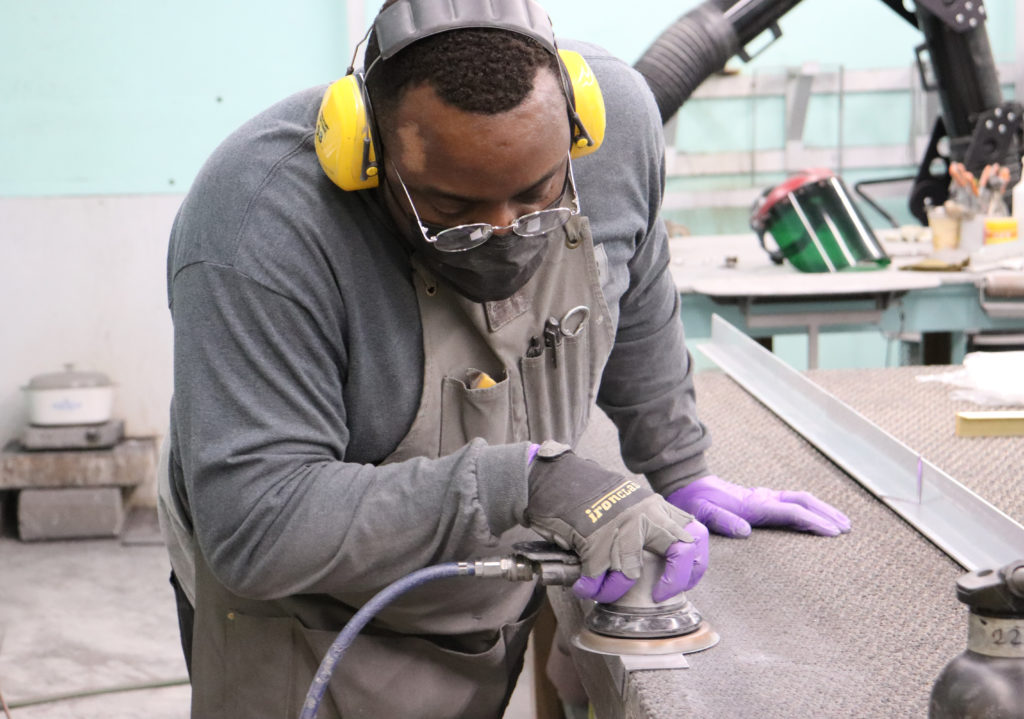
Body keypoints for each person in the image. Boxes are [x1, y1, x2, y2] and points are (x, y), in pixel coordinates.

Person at [157, 1, 851, 717]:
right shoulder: (259, 225)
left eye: (537, 195)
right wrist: (529, 482)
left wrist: (679, 465)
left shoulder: (616, 130)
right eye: (452, 209)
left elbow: (634, 290)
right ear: (367, 154)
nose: (505, 235)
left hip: (479, 600)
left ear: (580, 124)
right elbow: (260, 524)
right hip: (300, 618)